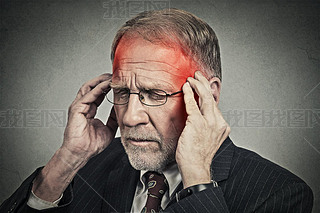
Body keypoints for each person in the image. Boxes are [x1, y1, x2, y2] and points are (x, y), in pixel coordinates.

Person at [0, 8, 313, 213]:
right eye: (122, 92)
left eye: (154, 93)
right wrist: (67, 160)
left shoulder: (279, 194)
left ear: (207, 94)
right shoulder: (86, 168)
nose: (130, 117)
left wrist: (197, 179)